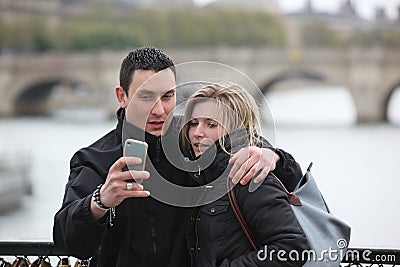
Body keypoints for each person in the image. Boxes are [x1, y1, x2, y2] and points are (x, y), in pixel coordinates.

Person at [53, 47, 302, 267]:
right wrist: (100, 202)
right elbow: (69, 241)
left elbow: (285, 179)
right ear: (122, 97)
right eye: (146, 96)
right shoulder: (94, 159)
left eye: (167, 96)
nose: (159, 110)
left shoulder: (194, 139)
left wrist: (275, 156)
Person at [181, 83, 309, 266]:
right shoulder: (205, 175)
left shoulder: (249, 176)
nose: (197, 133)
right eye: (193, 123)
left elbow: (293, 248)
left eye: (211, 124)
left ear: (235, 129)